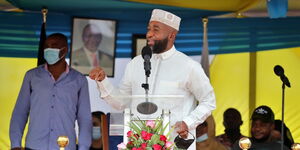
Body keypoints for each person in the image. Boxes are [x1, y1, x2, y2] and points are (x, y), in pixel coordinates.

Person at [89, 9, 216, 149]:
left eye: (156, 30)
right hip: (138, 144)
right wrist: (103, 82)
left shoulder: (189, 66)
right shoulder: (135, 64)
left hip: (174, 145)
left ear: (171, 35)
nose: (149, 34)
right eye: (149, 29)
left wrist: (188, 122)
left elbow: (208, 101)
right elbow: (121, 102)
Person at [9, 33, 92, 150]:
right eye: (46, 46)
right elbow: (20, 112)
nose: (49, 49)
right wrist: (15, 144)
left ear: (65, 50)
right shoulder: (32, 76)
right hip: (34, 146)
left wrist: (83, 147)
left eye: (54, 45)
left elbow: (84, 118)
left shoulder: (79, 80)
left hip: (66, 147)